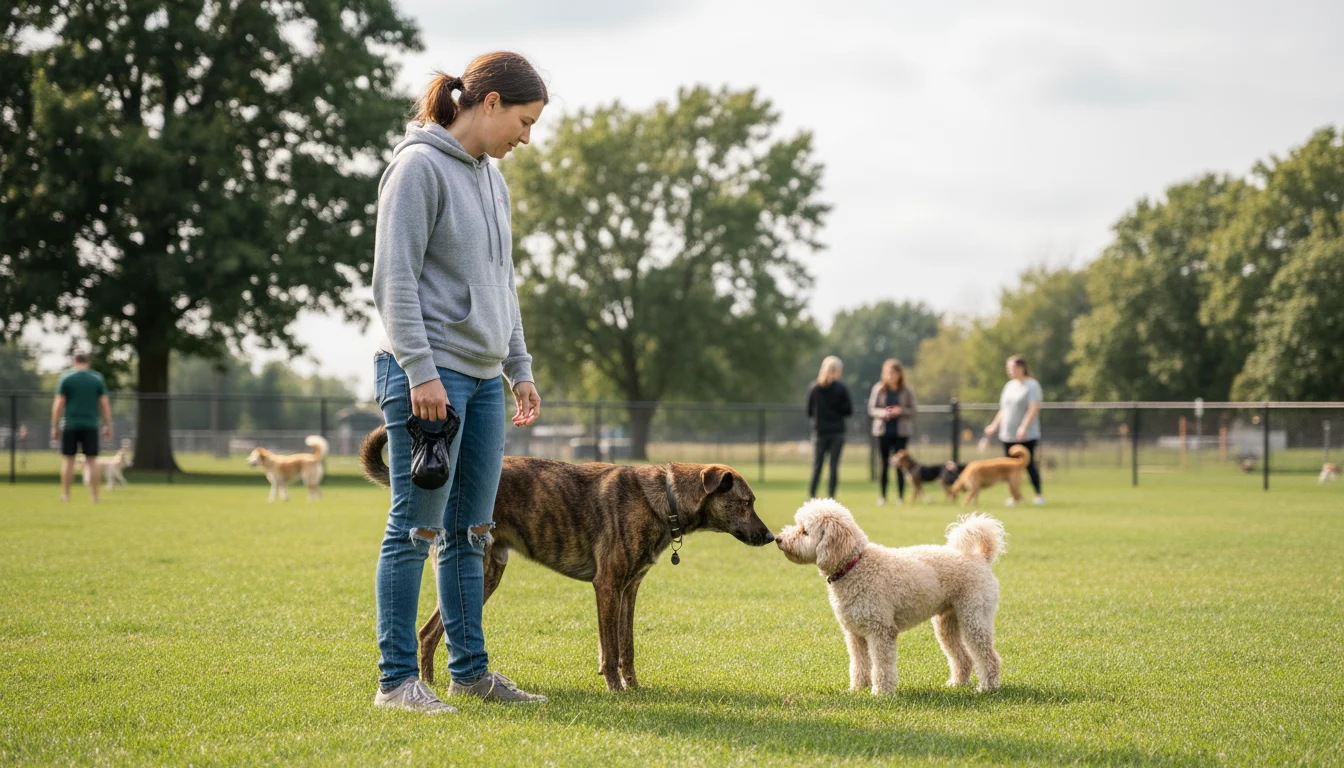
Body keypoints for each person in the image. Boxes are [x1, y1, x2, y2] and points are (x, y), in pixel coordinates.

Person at [370, 53, 547, 714]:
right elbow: (394, 281)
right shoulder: (417, 168)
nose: (525, 138)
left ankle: (470, 674)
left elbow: (503, 281)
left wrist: (518, 365)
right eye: (524, 122)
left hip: (480, 378)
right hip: (429, 376)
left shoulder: (491, 181)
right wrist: (420, 372)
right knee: (413, 529)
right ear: (492, 102)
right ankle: (395, 683)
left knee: (472, 532)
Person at [982, 355, 1045, 505]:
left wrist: (1023, 427)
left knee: (1028, 464)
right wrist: (993, 426)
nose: (1010, 371)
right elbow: (1003, 410)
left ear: (1021, 367)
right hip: (1008, 434)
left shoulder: (1032, 385)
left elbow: (1033, 408)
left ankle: (1038, 495)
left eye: (1012, 367)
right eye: (1008, 368)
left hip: (1026, 434)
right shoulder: (1009, 386)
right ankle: (1015, 497)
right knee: (1008, 468)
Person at [51, 352, 112, 503]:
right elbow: (104, 404)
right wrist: (108, 425)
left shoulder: (66, 378)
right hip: (91, 425)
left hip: (70, 424)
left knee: (68, 460)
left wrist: (55, 426)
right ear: (88, 362)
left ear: (74, 361)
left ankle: (66, 495)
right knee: (92, 461)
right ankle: (95, 497)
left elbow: (59, 404)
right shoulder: (96, 379)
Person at [868, 359, 916, 505]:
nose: (891, 376)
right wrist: (882, 413)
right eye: (889, 373)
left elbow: (913, 410)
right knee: (884, 464)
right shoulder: (879, 389)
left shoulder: (907, 390)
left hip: (900, 432)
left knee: (901, 465)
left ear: (900, 374)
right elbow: (872, 409)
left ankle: (900, 496)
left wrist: (900, 411)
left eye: (894, 373)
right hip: (883, 431)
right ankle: (883, 496)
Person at [806, 356, 853, 499]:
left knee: (817, 465)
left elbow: (809, 411)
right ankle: (831, 496)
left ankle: (812, 495)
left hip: (819, 432)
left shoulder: (814, 388)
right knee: (833, 466)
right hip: (837, 432)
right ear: (837, 371)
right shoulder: (841, 388)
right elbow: (848, 410)